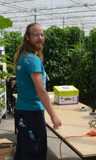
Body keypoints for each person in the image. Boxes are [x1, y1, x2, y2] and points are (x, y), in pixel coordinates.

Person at [13, 22, 62, 160]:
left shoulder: (23, 57)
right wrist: (53, 115)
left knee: (24, 150)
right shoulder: (32, 60)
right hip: (32, 113)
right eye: (36, 35)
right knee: (35, 152)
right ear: (27, 37)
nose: (40, 38)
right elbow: (41, 91)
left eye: (42, 34)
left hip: (22, 111)